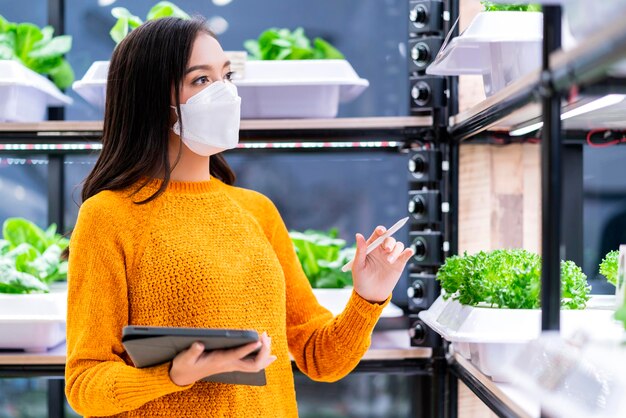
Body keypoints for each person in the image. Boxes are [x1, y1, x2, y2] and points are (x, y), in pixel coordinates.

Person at [65, 17, 414, 417]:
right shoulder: (108, 216)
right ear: (151, 99)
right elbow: (85, 386)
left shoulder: (256, 210)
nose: (225, 93)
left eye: (226, 76)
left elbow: (322, 359)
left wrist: (368, 296)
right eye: (201, 80)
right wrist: (174, 374)